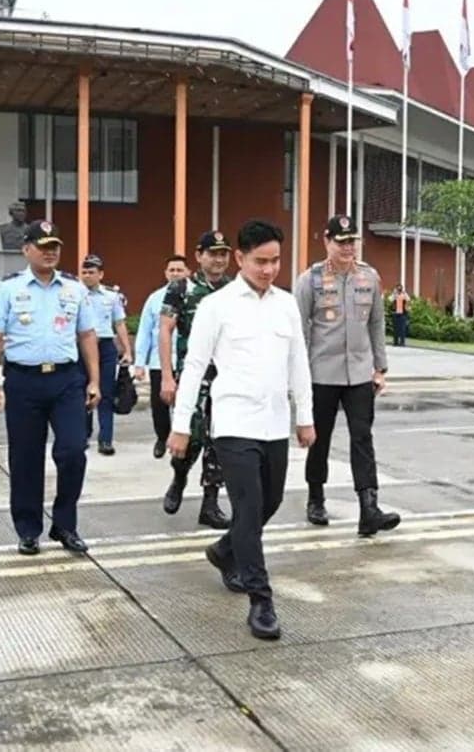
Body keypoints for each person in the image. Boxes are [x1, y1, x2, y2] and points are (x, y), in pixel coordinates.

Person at [168, 219, 314, 640]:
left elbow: (297, 363)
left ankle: (225, 549)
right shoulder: (218, 305)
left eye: (276, 261)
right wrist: (181, 427)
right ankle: (261, 600)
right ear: (239, 259)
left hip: (273, 422)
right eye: (260, 261)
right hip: (232, 422)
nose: (269, 269)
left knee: (270, 503)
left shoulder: (286, 304)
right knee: (248, 509)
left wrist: (304, 416)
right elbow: (193, 366)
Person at [0, 220, 101, 556]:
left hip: (66, 380)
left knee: (74, 451)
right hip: (23, 382)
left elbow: (87, 335)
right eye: (43, 246)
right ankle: (28, 529)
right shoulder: (8, 288)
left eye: (55, 247)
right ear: (26, 249)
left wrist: (94, 381)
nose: (50, 253)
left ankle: (65, 524)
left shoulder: (74, 289)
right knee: (26, 458)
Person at [294, 214, 401, 537]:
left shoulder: (369, 277)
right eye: (340, 242)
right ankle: (316, 496)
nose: (347, 248)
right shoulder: (309, 280)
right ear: (326, 241)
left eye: (352, 241)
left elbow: (376, 324)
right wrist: (298, 377)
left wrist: (380, 368)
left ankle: (369, 506)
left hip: (359, 373)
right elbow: (299, 330)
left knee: (362, 437)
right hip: (321, 373)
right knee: (319, 439)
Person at [159, 231, 234, 530]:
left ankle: (210, 502)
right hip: (192, 373)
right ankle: (179, 476)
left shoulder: (235, 288)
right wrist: (166, 376)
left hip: (227, 375)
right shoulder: (182, 288)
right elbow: (165, 330)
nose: (218, 259)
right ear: (199, 255)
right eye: (212, 253)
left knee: (221, 437)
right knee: (192, 435)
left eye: (223, 254)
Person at [134, 255, 190, 458]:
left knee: (186, 402)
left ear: (187, 272)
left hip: (187, 361)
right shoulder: (155, 298)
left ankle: (184, 438)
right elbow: (145, 331)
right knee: (160, 404)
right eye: (171, 270)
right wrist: (140, 363)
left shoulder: (194, 295)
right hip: (160, 361)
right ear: (166, 273)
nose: (175, 274)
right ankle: (162, 438)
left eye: (179, 270)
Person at [78, 254, 133, 455]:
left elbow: (119, 322)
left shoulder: (111, 296)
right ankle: (83, 435)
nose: (87, 276)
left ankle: (106, 439)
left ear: (101, 274)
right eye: (84, 272)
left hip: (105, 347)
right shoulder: (75, 293)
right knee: (82, 391)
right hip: (81, 347)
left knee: (106, 393)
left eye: (91, 272)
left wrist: (126, 349)